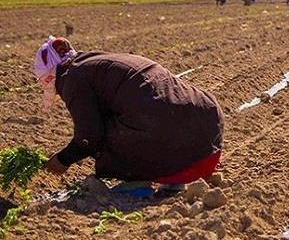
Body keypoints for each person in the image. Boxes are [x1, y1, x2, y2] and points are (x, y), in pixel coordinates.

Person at [34, 37, 224, 188]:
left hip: (179, 155)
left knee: (102, 133)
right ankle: (173, 184)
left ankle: (137, 183)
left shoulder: (73, 78)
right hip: (207, 139)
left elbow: (89, 136)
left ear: (53, 75)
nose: (58, 91)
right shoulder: (99, 62)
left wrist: (63, 159)